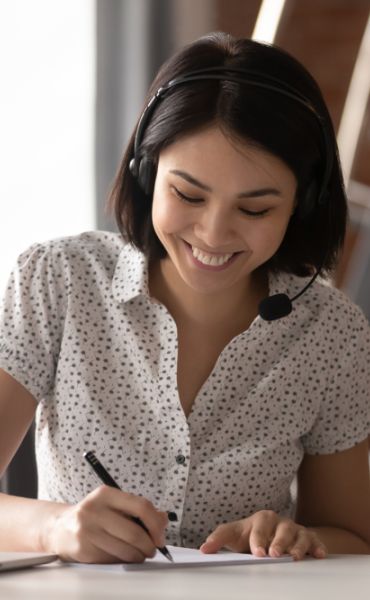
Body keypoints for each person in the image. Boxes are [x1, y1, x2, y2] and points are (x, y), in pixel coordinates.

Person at [0, 31, 369, 564]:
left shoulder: (331, 332)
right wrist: (54, 527)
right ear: (146, 173)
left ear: (302, 207)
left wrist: (296, 540)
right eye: (188, 194)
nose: (214, 234)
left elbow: (352, 541)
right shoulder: (57, 281)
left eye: (256, 209)